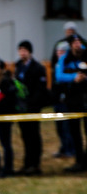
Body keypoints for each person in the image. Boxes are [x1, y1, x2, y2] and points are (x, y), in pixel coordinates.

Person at [14, 40, 49, 175]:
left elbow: (40, 89)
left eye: (24, 50)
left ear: (29, 52)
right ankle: (27, 163)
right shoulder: (18, 66)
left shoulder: (38, 68)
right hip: (21, 108)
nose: (22, 53)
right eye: (20, 50)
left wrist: (32, 104)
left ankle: (35, 164)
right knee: (25, 136)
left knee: (34, 135)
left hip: (33, 107)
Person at [56, 35, 87, 172]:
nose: (77, 44)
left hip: (86, 98)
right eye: (75, 42)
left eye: (79, 42)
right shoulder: (65, 59)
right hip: (72, 100)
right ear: (70, 45)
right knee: (75, 132)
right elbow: (59, 76)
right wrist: (74, 77)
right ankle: (79, 161)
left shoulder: (86, 55)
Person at [51, 41, 77, 158]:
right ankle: (64, 147)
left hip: (66, 101)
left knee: (67, 128)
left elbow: (62, 78)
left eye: (62, 51)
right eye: (58, 51)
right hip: (57, 101)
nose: (59, 53)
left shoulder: (69, 65)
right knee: (60, 127)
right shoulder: (57, 65)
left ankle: (70, 149)